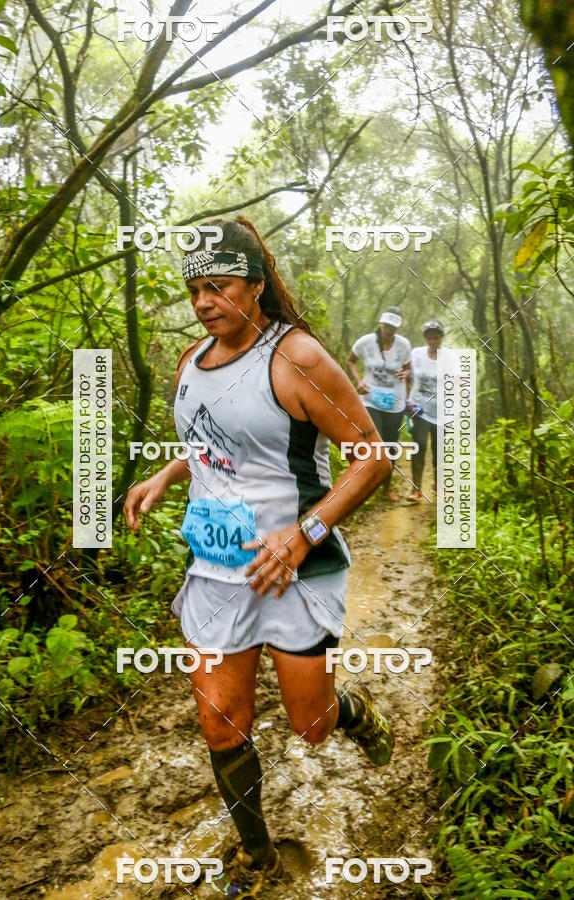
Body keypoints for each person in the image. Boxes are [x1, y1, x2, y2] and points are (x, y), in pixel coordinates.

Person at [123, 216, 395, 897]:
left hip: (295, 568)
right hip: (216, 570)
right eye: (195, 290)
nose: (204, 302)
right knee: (219, 720)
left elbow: (372, 457)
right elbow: (215, 441)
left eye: (218, 287)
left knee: (309, 726)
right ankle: (257, 855)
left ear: (255, 285)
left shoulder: (296, 358)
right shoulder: (191, 361)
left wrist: (304, 531)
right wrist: (165, 475)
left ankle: (350, 712)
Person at [347, 307, 411, 502]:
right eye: (386, 325)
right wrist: (358, 381)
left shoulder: (403, 345)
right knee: (375, 443)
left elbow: (408, 369)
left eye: (393, 326)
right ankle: (366, 486)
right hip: (370, 399)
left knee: (390, 445)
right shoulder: (366, 342)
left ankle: (386, 488)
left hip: (395, 401)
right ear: (381, 323)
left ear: (398, 327)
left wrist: (405, 374)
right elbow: (351, 361)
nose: (388, 330)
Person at [407, 320, 444, 500]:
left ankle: (439, 487)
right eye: (429, 338)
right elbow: (407, 375)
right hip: (419, 408)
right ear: (425, 339)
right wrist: (407, 402)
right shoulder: (416, 354)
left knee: (439, 450)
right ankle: (416, 489)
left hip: (442, 411)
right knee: (419, 445)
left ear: (441, 338)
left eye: (436, 338)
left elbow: (460, 379)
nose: (432, 341)